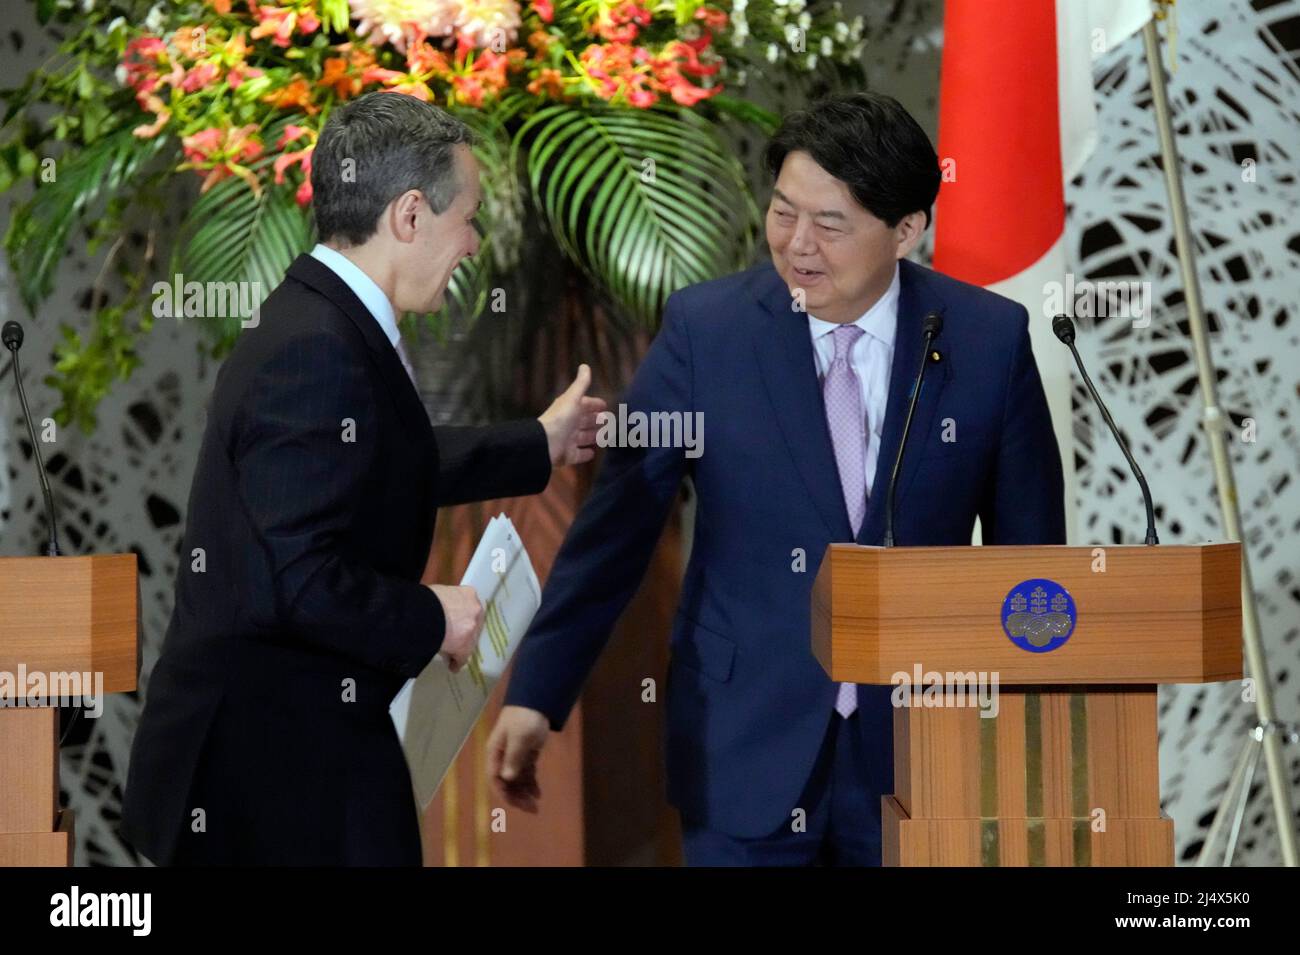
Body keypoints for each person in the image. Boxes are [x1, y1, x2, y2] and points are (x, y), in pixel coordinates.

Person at [487, 91, 1065, 866]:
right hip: (743, 747)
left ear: (906, 230)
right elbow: (614, 535)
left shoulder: (988, 340)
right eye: (783, 212)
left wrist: (1029, 747)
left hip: (930, 758)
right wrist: (536, 692)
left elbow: (1031, 559)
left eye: (830, 223)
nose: (797, 244)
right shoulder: (707, 331)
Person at [122, 91, 605, 866]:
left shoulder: (320, 319)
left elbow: (376, 458)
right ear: (410, 216)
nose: (475, 243)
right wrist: (429, 617)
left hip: (298, 755)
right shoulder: (316, 348)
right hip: (263, 780)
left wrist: (535, 444)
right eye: (468, 219)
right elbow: (300, 578)